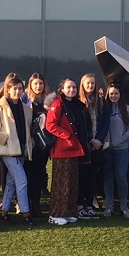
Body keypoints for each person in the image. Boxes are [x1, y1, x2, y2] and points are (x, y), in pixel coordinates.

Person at [0, 76, 34, 225]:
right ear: (8, 89)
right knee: (22, 180)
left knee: (11, 182)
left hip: (21, 149)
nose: (18, 91)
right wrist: (4, 138)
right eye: (14, 88)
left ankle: (4, 211)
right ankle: (26, 213)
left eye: (20, 88)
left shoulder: (26, 108)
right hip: (8, 150)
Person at [45, 79, 86, 225]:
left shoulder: (75, 105)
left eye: (74, 87)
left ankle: (69, 212)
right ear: (62, 89)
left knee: (72, 183)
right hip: (63, 150)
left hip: (74, 150)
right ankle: (55, 214)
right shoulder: (57, 104)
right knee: (61, 184)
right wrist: (67, 135)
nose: (72, 90)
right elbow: (50, 125)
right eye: (69, 87)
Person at [97, 81, 129, 218]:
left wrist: (120, 140)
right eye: (111, 93)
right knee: (108, 178)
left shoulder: (128, 109)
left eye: (116, 93)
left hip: (122, 150)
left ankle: (124, 207)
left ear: (120, 95)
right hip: (107, 150)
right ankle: (109, 207)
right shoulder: (104, 108)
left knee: (121, 177)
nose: (114, 96)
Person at [24, 73, 50, 218]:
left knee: (39, 175)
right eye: (35, 84)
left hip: (43, 145)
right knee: (28, 175)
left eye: (40, 83)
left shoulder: (48, 101)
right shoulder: (25, 100)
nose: (38, 86)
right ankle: (25, 205)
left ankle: (36, 205)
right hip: (29, 144)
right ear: (31, 85)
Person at [78, 72, 103, 219]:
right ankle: (80, 205)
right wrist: (90, 139)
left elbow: (105, 121)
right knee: (83, 176)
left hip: (97, 145)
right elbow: (80, 125)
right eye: (88, 83)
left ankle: (89, 204)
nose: (90, 86)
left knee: (93, 176)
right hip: (84, 145)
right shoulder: (78, 101)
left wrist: (98, 139)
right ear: (83, 84)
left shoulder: (100, 100)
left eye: (92, 83)